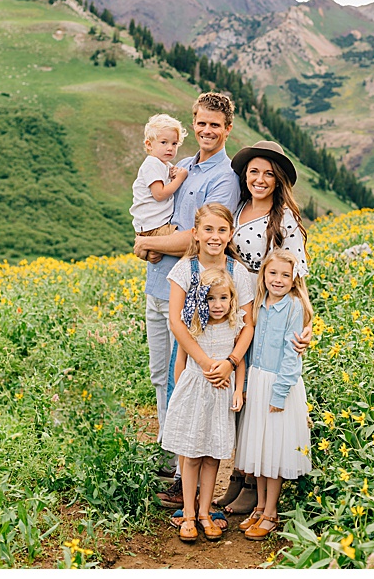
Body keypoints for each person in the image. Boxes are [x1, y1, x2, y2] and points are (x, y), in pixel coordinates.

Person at [133, 92, 240, 506]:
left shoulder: (223, 177)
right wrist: (150, 242)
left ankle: (186, 474)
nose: (207, 130)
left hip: (193, 290)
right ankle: (173, 451)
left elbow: (200, 237)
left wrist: (145, 241)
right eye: (201, 123)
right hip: (158, 283)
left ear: (227, 129)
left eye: (215, 125)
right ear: (193, 124)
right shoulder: (181, 167)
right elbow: (161, 216)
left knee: (186, 377)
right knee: (161, 375)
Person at [215, 139, 313, 515]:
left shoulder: (282, 216)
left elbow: (298, 272)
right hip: (236, 305)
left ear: (278, 181)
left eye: (268, 174)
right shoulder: (238, 208)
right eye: (254, 171)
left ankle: (256, 482)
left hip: (265, 310)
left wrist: (305, 323)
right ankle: (239, 476)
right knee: (240, 393)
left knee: (257, 391)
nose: (259, 178)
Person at [158, 263, 245, 542]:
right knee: (192, 454)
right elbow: (180, 363)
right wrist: (181, 397)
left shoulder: (235, 326)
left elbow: (238, 361)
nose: (217, 305)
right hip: (195, 394)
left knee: (212, 457)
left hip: (220, 396)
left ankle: (206, 512)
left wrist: (238, 390)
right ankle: (189, 513)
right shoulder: (193, 325)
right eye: (210, 298)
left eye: (223, 298)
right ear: (200, 299)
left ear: (232, 299)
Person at [234, 249, 315, 541]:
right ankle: (259, 507)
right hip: (258, 379)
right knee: (260, 448)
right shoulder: (260, 304)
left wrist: (279, 394)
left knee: (274, 451)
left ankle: (271, 512)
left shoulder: (294, 307)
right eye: (272, 273)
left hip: (280, 385)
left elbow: (292, 357)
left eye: (285, 275)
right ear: (263, 276)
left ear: (294, 279)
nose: (278, 280)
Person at [131, 114, 189, 262]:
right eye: (164, 142)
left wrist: (172, 175)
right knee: (190, 245)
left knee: (158, 256)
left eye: (174, 144)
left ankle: (152, 250)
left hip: (154, 225)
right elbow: (159, 194)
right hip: (154, 227)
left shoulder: (163, 164)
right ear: (149, 144)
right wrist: (179, 179)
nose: (170, 148)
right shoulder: (152, 164)